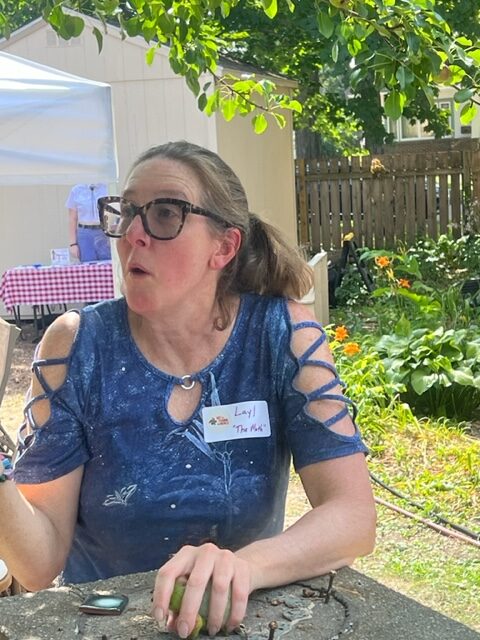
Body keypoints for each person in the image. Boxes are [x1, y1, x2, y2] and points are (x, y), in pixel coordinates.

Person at [0, 141, 376, 639]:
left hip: (237, 622)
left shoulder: (281, 334)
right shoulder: (77, 345)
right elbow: (38, 564)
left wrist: (246, 566)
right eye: (127, 212)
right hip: (104, 625)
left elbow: (353, 516)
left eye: (165, 214)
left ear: (224, 247)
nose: (133, 234)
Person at [66, 182, 111, 262]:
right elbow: (72, 219)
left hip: (104, 232)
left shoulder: (108, 188)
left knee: (107, 262)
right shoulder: (76, 190)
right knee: (87, 263)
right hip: (84, 234)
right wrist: (73, 244)